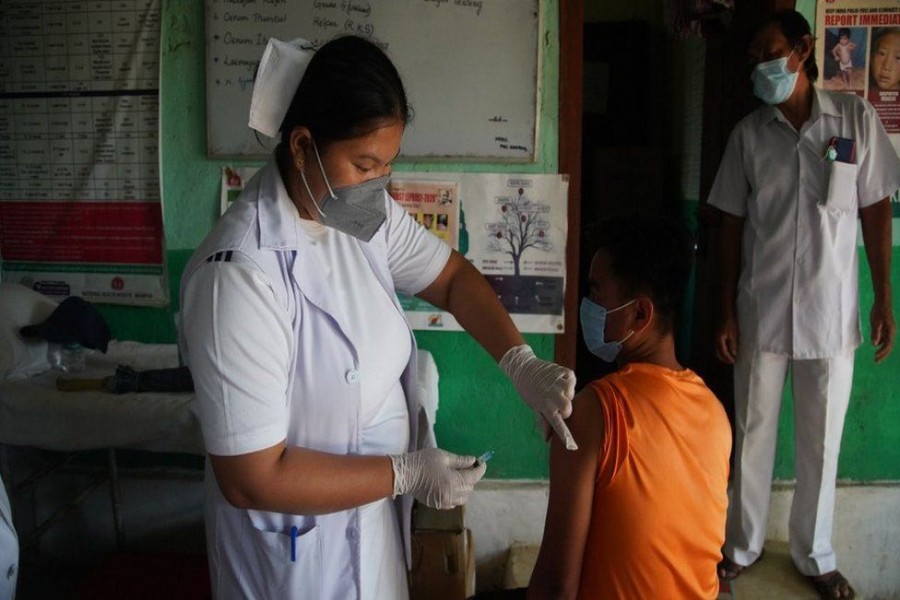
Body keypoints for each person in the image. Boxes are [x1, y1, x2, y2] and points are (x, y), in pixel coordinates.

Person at [179, 35, 577, 600]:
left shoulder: (360, 214)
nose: (379, 185)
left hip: (371, 539)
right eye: (364, 164)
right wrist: (405, 474)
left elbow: (455, 279)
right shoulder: (237, 274)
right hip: (293, 565)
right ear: (302, 146)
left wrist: (521, 364)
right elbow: (251, 478)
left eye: (386, 166)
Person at [709, 10, 900, 600]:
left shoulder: (855, 120)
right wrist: (723, 310)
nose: (761, 65)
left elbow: (873, 211)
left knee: (822, 440)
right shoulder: (749, 135)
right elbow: (730, 226)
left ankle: (815, 555)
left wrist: (883, 297)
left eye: (770, 51)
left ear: (802, 48)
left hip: (831, 309)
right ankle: (741, 547)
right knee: (754, 430)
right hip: (761, 307)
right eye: (753, 58)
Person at [526, 216, 731, 599]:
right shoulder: (714, 412)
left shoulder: (597, 411)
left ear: (640, 314)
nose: (585, 306)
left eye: (596, 293)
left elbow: (556, 587)